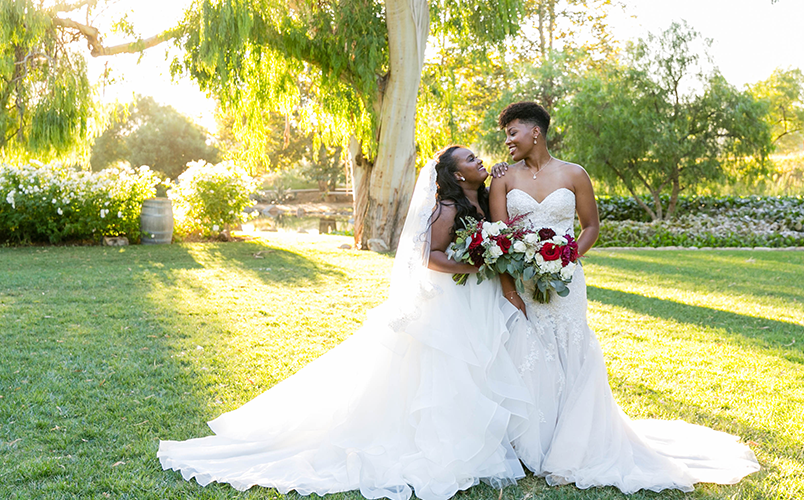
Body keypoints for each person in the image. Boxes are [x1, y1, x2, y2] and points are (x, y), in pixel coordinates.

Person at [158, 146, 535, 500]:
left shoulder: (482, 199)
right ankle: (447, 445)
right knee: (446, 370)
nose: (480, 160)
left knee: (477, 367)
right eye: (471, 159)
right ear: (456, 173)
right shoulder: (447, 208)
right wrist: (469, 265)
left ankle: (477, 438)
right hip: (453, 297)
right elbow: (430, 255)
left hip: (477, 298)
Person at [488, 101, 760, 493]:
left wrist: (566, 258)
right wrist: (511, 289)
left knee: (571, 350)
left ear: (535, 132)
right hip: (524, 286)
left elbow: (591, 226)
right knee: (530, 355)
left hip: (566, 281)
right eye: (505, 135)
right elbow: (501, 238)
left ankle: (574, 447)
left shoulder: (575, 174)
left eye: (513, 132)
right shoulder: (503, 180)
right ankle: (531, 444)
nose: (508, 141)